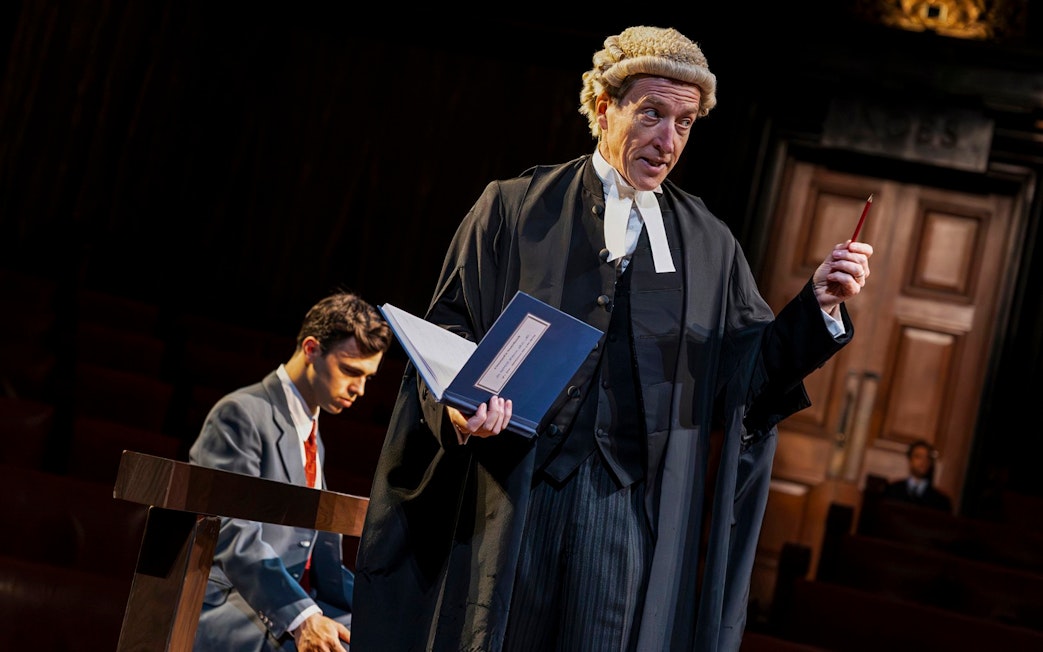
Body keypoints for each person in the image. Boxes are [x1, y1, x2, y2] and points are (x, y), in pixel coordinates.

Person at [351, 25, 874, 652]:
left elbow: (745, 382)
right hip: (513, 498)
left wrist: (816, 304)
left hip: (625, 516)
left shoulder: (709, 244)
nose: (667, 140)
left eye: (684, 123)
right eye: (652, 113)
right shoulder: (514, 208)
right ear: (603, 107)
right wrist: (462, 410)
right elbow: (452, 327)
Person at [189, 291, 392, 652]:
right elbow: (234, 537)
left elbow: (322, 560)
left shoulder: (311, 429)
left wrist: (386, 612)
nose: (359, 389)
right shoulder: (240, 413)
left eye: (368, 377)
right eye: (350, 371)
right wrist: (303, 617)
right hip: (232, 603)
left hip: (291, 595)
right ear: (312, 349)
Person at [882, 439, 953, 512]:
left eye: (927, 457)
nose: (923, 461)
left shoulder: (941, 501)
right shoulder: (893, 490)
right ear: (910, 461)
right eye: (918, 457)